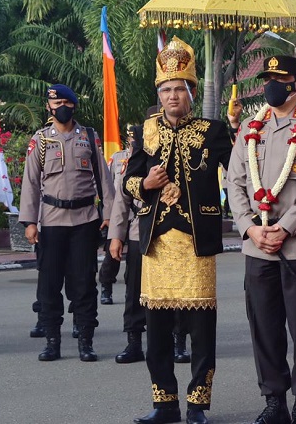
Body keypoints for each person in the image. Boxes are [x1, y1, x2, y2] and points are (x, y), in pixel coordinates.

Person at [226, 55, 296, 424]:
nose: (273, 84)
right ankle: (273, 399)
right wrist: (249, 227)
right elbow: (236, 181)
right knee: (264, 325)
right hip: (257, 244)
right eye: (268, 78)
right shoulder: (249, 127)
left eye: (281, 78)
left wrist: (286, 227)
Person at [124, 36, 232, 424]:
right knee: (157, 328)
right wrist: (146, 185)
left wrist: (242, 129)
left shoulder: (213, 130)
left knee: (202, 328)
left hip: (197, 242)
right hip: (156, 244)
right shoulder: (144, 131)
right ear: (160, 92)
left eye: (179, 89)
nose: (172, 96)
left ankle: (198, 405)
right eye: (166, 89)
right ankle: (165, 404)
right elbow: (128, 183)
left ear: (191, 90)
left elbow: (237, 171)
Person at [19, 84, 115, 362]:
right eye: (55, 102)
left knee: (84, 282)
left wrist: (107, 214)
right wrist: (29, 221)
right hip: (51, 221)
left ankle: (86, 340)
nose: (60, 106)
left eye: (65, 102)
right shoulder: (41, 140)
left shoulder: (88, 137)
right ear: (48, 107)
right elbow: (31, 182)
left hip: (85, 220)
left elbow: (104, 179)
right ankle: (52, 342)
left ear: (73, 105)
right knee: (49, 284)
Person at [107, 126, 147, 364]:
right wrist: (116, 236)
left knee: (173, 291)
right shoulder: (132, 161)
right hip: (137, 230)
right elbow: (122, 200)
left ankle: (178, 341)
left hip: (170, 234)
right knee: (134, 291)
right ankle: (134, 342)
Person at [98, 142, 132, 306]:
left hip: (137, 214)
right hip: (118, 213)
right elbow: (107, 185)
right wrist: (107, 213)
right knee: (112, 254)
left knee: (135, 258)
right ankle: (106, 287)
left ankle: (131, 291)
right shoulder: (117, 158)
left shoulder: (148, 156)